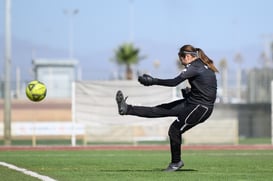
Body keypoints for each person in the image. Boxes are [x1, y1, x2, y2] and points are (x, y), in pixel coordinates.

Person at [115, 44, 218, 172]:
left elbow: (174, 82)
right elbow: (207, 89)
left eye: (180, 58)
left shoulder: (194, 66)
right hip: (192, 103)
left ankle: (176, 163)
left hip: (200, 108)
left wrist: (153, 81)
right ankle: (127, 109)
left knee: (174, 130)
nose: (180, 62)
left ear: (186, 56)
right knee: (158, 110)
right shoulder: (201, 65)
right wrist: (190, 94)